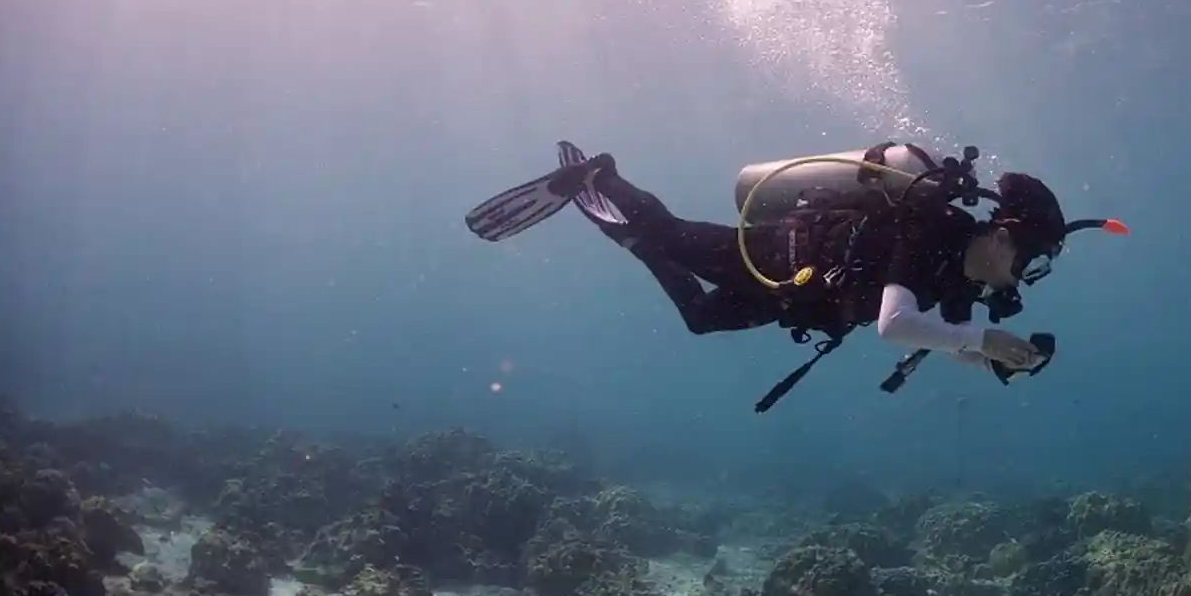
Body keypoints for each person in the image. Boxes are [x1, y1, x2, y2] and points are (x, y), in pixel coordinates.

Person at [464, 139, 1126, 410]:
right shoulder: (927, 229)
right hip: (777, 253)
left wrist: (999, 360)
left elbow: (942, 337)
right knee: (670, 233)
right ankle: (603, 178)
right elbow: (895, 325)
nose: (1030, 277)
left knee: (699, 318)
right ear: (1002, 235)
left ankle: (622, 229)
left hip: (797, 299)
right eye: (1034, 261)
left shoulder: (962, 283)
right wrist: (982, 341)